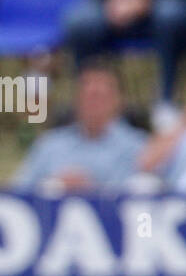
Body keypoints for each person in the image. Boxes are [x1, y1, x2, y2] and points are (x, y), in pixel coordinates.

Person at [12, 62, 146, 193]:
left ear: (119, 100)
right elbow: (17, 193)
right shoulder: (49, 145)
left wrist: (93, 191)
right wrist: (54, 186)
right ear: (75, 99)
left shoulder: (141, 148)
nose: (93, 103)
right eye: (87, 95)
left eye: (99, 96)